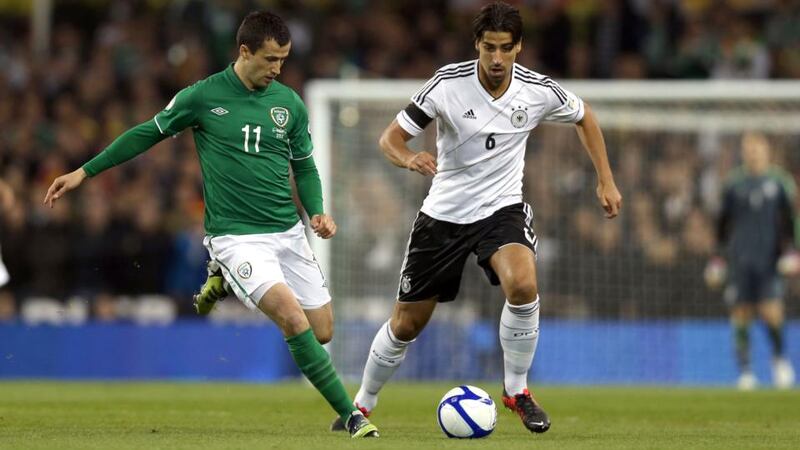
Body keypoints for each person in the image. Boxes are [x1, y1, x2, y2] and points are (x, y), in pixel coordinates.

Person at [43, 11, 379, 438]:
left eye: (284, 60)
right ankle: (352, 416)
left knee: (323, 331)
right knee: (293, 321)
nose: (277, 69)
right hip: (236, 238)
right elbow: (146, 133)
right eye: (270, 59)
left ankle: (220, 279)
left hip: (287, 233)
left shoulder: (289, 103)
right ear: (244, 51)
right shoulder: (202, 97)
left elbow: (305, 167)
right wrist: (83, 172)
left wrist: (316, 211)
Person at [332, 1, 621, 434]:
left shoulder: (536, 90)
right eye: (489, 48)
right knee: (406, 323)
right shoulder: (446, 85)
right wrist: (410, 159)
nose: (498, 58)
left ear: (519, 46)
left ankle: (518, 391)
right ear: (477, 45)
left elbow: (585, 116)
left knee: (522, 284)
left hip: (501, 209)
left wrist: (606, 180)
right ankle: (362, 403)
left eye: (506, 48)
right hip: (443, 216)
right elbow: (390, 139)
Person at [706, 132, 797, 390]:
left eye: (758, 148)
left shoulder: (780, 182)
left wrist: (792, 251)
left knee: (772, 313)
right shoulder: (734, 184)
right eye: (749, 149)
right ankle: (745, 372)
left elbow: (790, 222)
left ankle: (779, 359)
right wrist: (717, 259)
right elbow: (722, 227)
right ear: (743, 153)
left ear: (767, 151)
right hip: (740, 260)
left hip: (769, 261)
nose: (753, 153)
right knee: (741, 314)